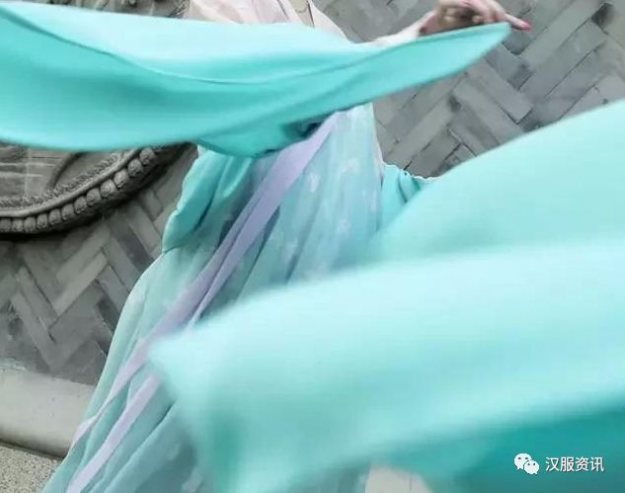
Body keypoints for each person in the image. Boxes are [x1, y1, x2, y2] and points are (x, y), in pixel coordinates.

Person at [0, 1, 534, 492]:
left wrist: (508, 189)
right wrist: (403, 46)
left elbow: (367, 189)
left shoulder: (332, 36)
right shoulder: (224, 8)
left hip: (305, 338)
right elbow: (269, 98)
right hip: (215, 309)